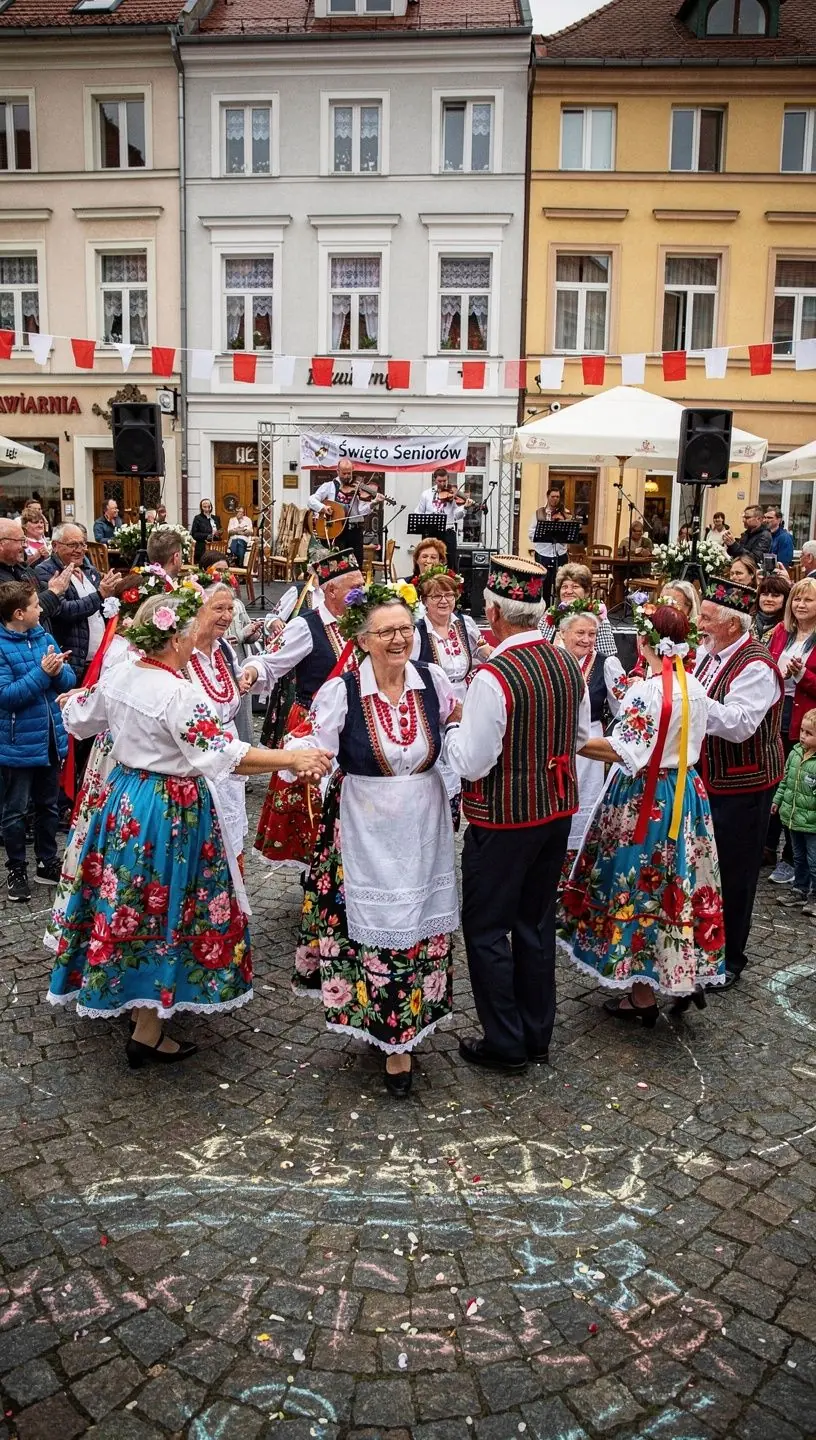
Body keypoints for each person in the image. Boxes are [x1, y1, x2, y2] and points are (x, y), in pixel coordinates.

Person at [45, 590, 331, 1068]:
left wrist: (72, 696)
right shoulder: (177, 693)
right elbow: (224, 755)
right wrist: (291, 757)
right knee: (168, 905)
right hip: (170, 807)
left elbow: (80, 717)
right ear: (176, 639)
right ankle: (148, 1030)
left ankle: (134, 1002)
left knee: (128, 899)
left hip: (125, 797)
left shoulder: (123, 674)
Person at [285, 582, 458, 1096]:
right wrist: (301, 760)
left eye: (405, 629)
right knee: (372, 927)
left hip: (423, 821)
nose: (399, 639)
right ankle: (385, 1032)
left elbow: (455, 728)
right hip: (363, 822)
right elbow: (315, 745)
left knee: (418, 923)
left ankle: (405, 1030)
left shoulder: (434, 681)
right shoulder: (342, 692)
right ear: (362, 640)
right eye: (386, 632)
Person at [446, 556, 590, 1073]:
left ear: (494, 614)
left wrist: (453, 728)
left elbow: (474, 761)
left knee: (486, 928)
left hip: (503, 818)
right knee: (534, 921)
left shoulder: (494, 676)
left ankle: (505, 1040)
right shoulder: (566, 663)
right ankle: (536, 1033)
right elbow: (579, 737)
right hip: (556, 810)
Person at [561, 602, 725, 1023]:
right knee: (681, 879)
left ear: (644, 641)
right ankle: (683, 972)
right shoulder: (696, 686)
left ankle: (642, 995)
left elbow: (625, 750)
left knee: (640, 882)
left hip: (646, 796)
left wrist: (571, 739)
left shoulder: (647, 691)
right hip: (686, 792)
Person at [247, 548, 363, 868]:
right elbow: (270, 661)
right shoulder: (306, 626)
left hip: (355, 725)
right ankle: (317, 877)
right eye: (355, 586)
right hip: (315, 726)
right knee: (315, 812)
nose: (362, 592)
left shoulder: (363, 623)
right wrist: (251, 672)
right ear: (331, 590)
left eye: (362, 585)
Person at [695, 578, 784, 988]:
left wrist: (689, 700)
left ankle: (730, 958)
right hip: (711, 776)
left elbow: (739, 724)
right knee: (706, 866)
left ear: (732, 624)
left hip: (744, 783)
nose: (699, 624)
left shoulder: (756, 665)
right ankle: (701, 947)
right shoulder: (709, 652)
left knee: (735, 870)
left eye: (706, 618)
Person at [0, 581, 76, 903]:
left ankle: (47, 861)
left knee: (49, 806)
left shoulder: (44, 636)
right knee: (15, 811)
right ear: (19, 613)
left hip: (49, 740)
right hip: (16, 744)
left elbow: (68, 681)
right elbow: (7, 696)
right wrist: (44, 673)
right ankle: (16, 868)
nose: (41, 608)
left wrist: (58, 672)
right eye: (35, 605)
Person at [412, 565, 491, 827]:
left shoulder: (464, 624)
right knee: (438, 760)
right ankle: (435, 818)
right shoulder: (418, 632)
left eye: (449, 595)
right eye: (436, 596)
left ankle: (455, 818)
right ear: (424, 601)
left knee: (461, 756)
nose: (444, 601)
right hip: (431, 704)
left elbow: (481, 651)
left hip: (463, 701)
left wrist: (502, 659)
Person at [185, 582, 250, 859]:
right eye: (219, 608)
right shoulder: (182, 652)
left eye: (230, 609)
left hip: (229, 749)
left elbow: (237, 677)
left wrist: (241, 681)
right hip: (199, 758)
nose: (227, 616)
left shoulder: (223, 647)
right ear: (198, 611)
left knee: (230, 835)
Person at [766, 578, 816, 884]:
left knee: (796, 784)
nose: (800, 604)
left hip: (806, 721)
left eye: (808, 600)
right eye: (797, 599)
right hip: (775, 713)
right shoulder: (781, 632)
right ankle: (767, 848)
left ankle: (791, 859)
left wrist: (802, 674)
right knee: (775, 781)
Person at [553, 602, 609, 859]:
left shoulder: (606, 664)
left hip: (591, 746)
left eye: (592, 634)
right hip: (555, 744)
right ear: (563, 633)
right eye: (580, 633)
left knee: (585, 801)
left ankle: (579, 865)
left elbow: (622, 707)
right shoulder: (551, 660)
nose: (586, 640)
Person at [34, 525, 119, 684]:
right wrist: (99, 595)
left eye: (82, 544)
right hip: (73, 660)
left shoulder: (88, 569)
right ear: (55, 546)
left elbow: (100, 607)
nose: (79, 550)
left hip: (100, 657)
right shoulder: (46, 572)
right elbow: (63, 610)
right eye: (73, 545)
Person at [201, 552, 263, 745]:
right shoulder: (203, 602)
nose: (227, 615)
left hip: (235, 659)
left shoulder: (237, 604)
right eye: (219, 571)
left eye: (226, 571)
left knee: (240, 717)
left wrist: (253, 633)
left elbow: (244, 629)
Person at [772, 708, 816, 915]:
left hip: (812, 822)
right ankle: (799, 889)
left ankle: (814, 896)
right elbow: (785, 781)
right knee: (798, 857)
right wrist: (777, 800)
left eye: (809, 733)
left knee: (814, 860)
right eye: (802, 731)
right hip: (793, 817)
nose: (803, 736)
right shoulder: (795, 753)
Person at [0, 518, 73, 630]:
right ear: (1, 544)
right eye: (21, 540)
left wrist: (51, 590)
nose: (25, 545)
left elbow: (53, 610)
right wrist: (54, 592)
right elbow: (23, 616)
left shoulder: (23, 569)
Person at [307, 459, 375, 571]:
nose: (347, 476)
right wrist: (323, 508)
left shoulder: (357, 488)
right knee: (336, 565)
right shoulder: (329, 486)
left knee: (356, 564)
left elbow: (362, 511)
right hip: (335, 530)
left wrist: (373, 503)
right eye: (344, 473)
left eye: (349, 473)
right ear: (337, 471)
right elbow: (311, 500)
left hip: (354, 531)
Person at [539, 562, 618, 657]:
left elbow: (607, 655)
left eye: (575, 587)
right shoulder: (550, 614)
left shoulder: (597, 616)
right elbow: (539, 649)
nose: (568, 591)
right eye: (564, 587)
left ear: (586, 592)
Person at [417, 467, 469, 571]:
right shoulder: (426, 494)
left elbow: (456, 515)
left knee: (449, 562)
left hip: (448, 532)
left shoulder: (452, 494)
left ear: (448, 479)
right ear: (434, 480)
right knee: (429, 561)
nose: (442, 484)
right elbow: (419, 512)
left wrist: (465, 508)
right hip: (431, 533)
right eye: (439, 481)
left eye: (445, 481)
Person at [528, 486, 572, 603]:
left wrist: (563, 522)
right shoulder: (539, 513)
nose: (555, 499)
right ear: (548, 497)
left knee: (561, 583)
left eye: (557, 497)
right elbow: (531, 533)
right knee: (544, 585)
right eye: (553, 496)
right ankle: (545, 608)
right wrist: (542, 535)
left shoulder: (566, 513)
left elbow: (571, 533)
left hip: (560, 553)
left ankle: (560, 607)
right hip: (543, 553)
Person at [753, 573, 791, 644]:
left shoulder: (790, 627)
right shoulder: (747, 622)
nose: (769, 599)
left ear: (785, 599)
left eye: (775, 595)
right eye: (764, 594)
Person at [191, 499, 222, 565]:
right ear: (201, 508)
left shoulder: (216, 518)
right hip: (202, 546)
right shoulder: (198, 518)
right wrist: (208, 536)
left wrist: (219, 533)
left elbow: (219, 529)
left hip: (215, 546)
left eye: (208, 507)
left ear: (211, 507)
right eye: (204, 507)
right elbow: (194, 534)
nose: (207, 509)